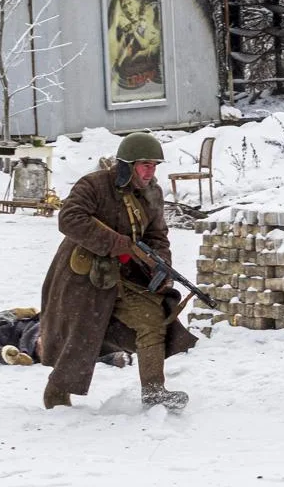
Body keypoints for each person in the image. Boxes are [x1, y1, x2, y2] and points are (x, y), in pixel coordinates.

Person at [38, 133, 199, 410]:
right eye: (145, 164)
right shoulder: (95, 185)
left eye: (154, 165)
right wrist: (117, 244)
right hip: (83, 276)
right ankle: (57, 393)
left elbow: (158, 235)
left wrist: (160, 265)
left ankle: (154, 391)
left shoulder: (153, 193)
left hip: (129, 276)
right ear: (127, 164)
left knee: (152, 320)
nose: (151, 171)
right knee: (78, 333)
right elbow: (70, 218)